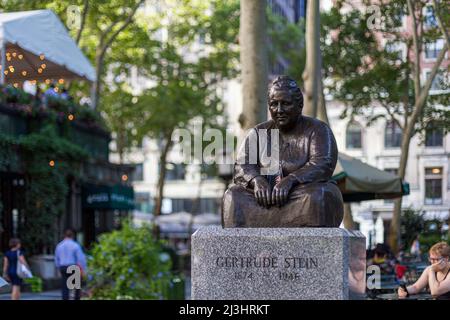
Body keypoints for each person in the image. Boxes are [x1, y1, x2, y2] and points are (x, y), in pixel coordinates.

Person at [222, 75, 343, 228]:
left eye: (285, 104)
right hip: (264, 198)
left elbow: (322, 163)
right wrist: (257, 180)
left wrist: (291, 180)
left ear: (299, 105)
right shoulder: (259, 132)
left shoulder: (318, 130)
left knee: (318, 196)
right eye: (274, 104)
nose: (279, 110)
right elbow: (242, 165)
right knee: (233, 196)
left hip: (300, 195)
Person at [55, 228, 87, 300]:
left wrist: (58, 268)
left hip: (63, 266)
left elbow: (57, 258)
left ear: (64, 235)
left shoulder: (59, 245)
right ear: (72, 236)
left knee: (65, 286)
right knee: (77, 285)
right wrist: (83, 269)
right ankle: (76, 298)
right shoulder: (75, 245)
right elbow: (80, 259)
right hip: (73, 266)